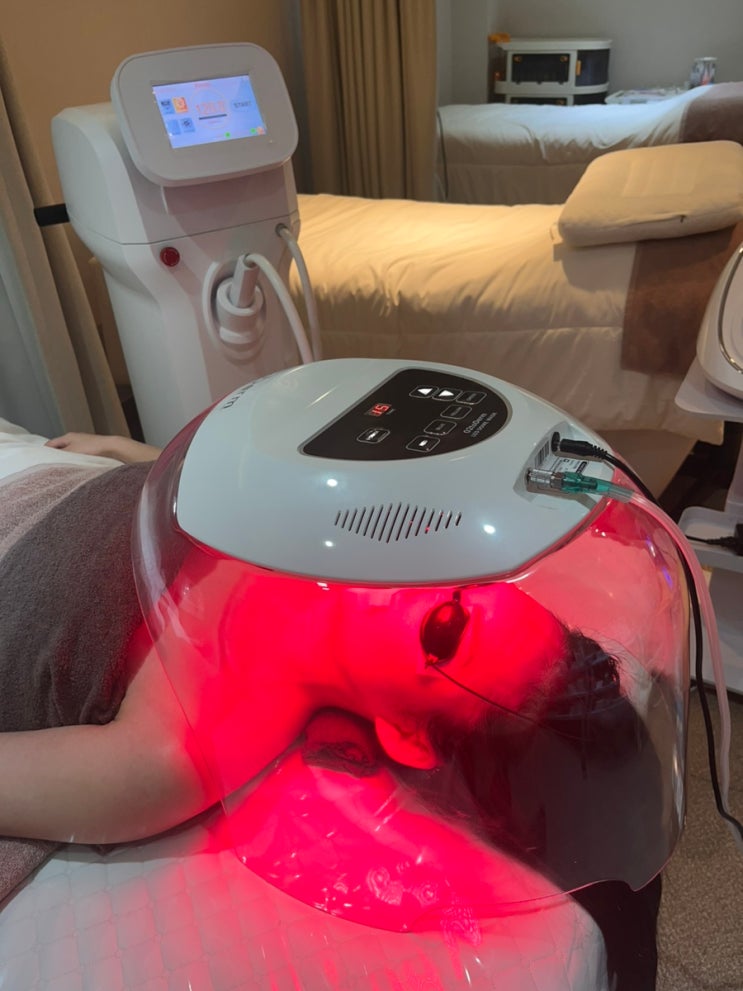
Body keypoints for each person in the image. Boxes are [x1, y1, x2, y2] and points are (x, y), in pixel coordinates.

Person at [0, 421, 663, 987]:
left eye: (444, 625)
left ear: (407, 734)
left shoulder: (181, 751)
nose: (422, 567)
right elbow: (247, 485)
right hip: (62, 473)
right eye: (470, 571)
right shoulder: (336, 533)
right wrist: (134, 458)